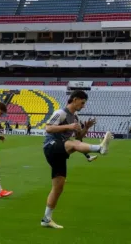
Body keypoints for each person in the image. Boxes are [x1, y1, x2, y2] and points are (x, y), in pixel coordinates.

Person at [41, 90, 112, 229]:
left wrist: (86, 128)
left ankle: (46, 219)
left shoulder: (75, 117)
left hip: (61, 152)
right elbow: (48, 128)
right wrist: (68, 126)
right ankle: (100, 148)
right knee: (72, 143)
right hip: (51, 146)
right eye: (82, 102)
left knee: (59, 187)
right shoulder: (61, 113)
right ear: (74, 99)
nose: (83, 105)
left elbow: (79, 137)